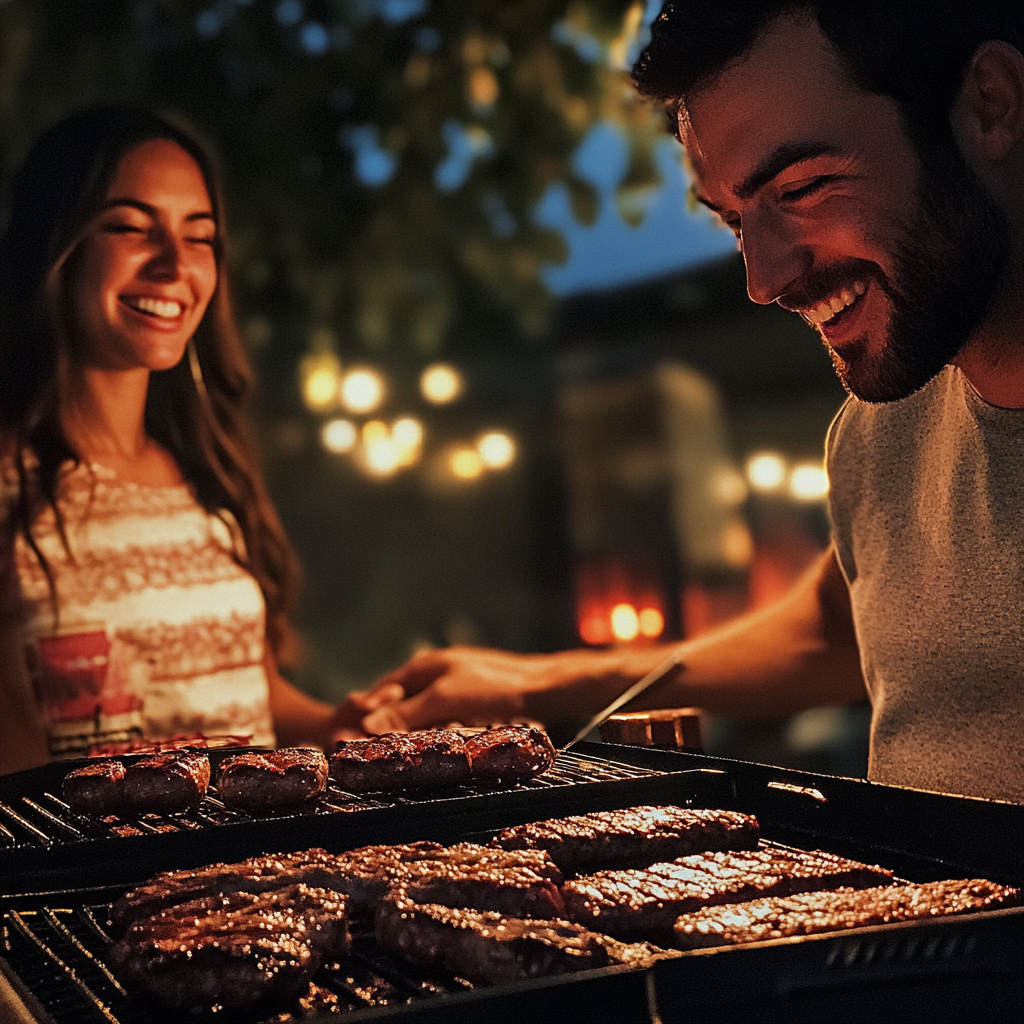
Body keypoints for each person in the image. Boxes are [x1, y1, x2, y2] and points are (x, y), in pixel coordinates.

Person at [356, 1, 1024, 803]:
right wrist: (532, 688)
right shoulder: (880, 434)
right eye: (735, 221)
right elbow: (839, 627)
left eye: (803, 186)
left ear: (991, 104)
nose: (763, 279)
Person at [0, 106, 391, 774]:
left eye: (200, 236)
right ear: (55, 248)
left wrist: (334, 724)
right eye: (129, 226)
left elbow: (251, 693)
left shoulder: (205, 471)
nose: (175, 266)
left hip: (257, 870)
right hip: (93, 874)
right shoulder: (12, 485)